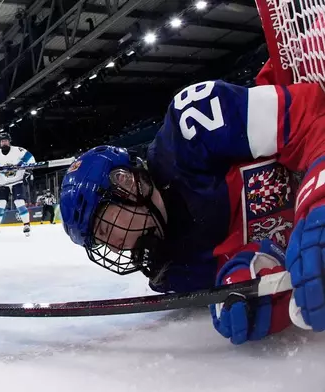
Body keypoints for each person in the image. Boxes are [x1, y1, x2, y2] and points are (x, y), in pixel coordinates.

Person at [60, 79, 325, 345]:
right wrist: (256, 276)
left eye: (105, 229)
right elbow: (257, 254)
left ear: (126, 183)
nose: (114, 246)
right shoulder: (174, 273)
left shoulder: (190, 129)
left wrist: (319, 198)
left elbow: (312, 113)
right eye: (101, 242)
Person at [0, 132, 35, 237]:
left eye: (6, 141)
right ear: (0, 143)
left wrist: (28, 171)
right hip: (3, 183)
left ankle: (27, 225)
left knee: (19, 202)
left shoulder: (18, 151)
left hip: (17, 181)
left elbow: (31, 160)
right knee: (0, 204)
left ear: (9, 141)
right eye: (2, 141)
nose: (4, 143)